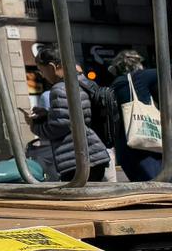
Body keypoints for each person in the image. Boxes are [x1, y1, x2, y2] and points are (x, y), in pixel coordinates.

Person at [29, 43, 110, 182]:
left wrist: (34, 125)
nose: (42, 75)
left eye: (42, 70)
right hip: (93, 154)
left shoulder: (60, 88)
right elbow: (73, 117)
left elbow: (58, 126)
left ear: (52, 67)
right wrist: (48, 114)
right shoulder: (82, 81)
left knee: (77, 194)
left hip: (76, 159)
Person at [109, 49, 161, 181]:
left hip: (126, 146)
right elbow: (165, 72)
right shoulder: (139, 78)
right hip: (146, 145)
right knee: (159, 186)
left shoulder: (116, 84)